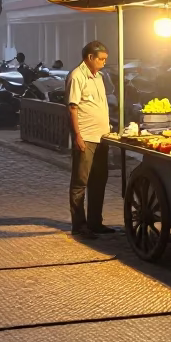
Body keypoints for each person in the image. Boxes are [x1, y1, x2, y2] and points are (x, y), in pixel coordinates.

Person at [65, 40, 114, 236]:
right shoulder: (77, 76)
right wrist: (77, 135)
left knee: (99, 180)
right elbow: (72, 108)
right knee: (80, 181)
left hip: (102, 137)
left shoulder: (99, 77)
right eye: (101, 59)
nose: (103, 62)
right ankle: (79, 224)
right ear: (90, 57)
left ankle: (96, 221)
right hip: (86, 137)